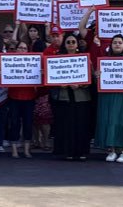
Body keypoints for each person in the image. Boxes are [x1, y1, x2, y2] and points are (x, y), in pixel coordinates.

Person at [95, 34, 123, 163]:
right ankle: (112, 150)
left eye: (120, 42)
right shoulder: (104, 61)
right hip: (109, 95)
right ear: (111, 45)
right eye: (115, 42)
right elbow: (96, 76)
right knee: (110, 119)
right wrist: (97, 75)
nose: (117, 45)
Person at [51, 33, 93, 161]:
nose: (71, 44)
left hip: (81, 97)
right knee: (66, 125)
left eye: (73, 42)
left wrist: (80, 84)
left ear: (77, 44)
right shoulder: (57, 58)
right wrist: (60, 84)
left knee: (81, 125)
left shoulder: (85, 58)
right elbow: (52, 77)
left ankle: (81, 152)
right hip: (64, 97)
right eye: (68, 42)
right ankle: (67, 151)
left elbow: (91, 78)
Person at [4, 40, 37, 159]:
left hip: (29, 98)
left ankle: (27, 150)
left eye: (24, 48)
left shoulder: (34, 63)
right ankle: (14, 150)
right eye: (20, 48)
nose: (22, 50)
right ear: (16, 49)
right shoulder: (9, 61)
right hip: (14, 98)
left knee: (28, 124)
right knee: (14, 124)